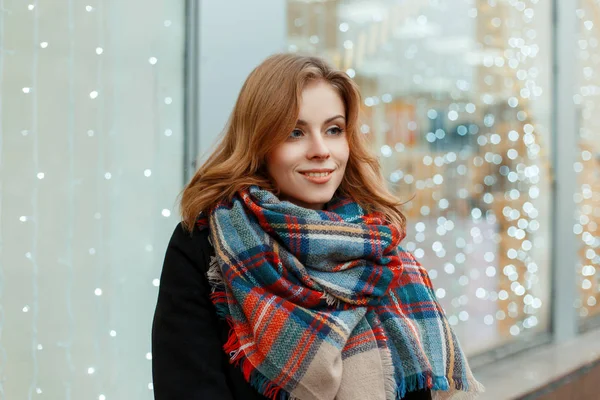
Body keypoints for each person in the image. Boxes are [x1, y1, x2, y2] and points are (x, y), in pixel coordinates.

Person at [151, 53, 483, 400]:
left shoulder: (380, 248)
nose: (321, 150)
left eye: (334, 130)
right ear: (259, 142)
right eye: (295, 132)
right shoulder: (208, 245)